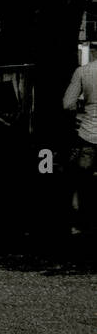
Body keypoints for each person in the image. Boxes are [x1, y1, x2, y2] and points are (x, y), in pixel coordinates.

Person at [62, 57, 97, 234]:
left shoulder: (83, 71)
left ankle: (79, 225)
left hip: (89, 134)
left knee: (82, 181)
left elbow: (67, 104)